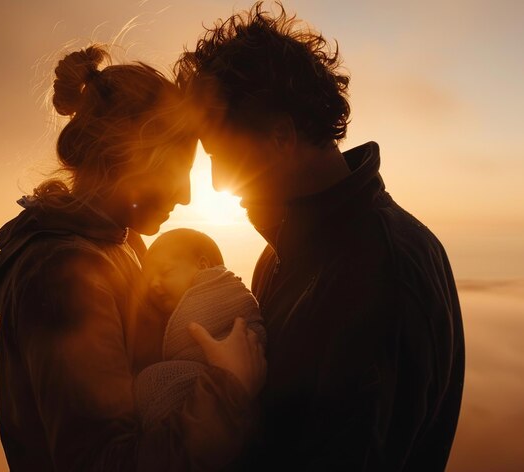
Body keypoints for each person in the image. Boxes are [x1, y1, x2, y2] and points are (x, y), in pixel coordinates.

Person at [175, 3, 465, 471]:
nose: (214, 182)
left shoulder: (383, 271)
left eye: (221, 154)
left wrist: (218, 443)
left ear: (281, 137)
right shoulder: (284, 254)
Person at [0, 45, 266, 471]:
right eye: (177, 171)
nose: (185, 195)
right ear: (132, 161)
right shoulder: (64, 275)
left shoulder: (119, 244)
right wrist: (228, 390)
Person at [135, 228, 266, 430]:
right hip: (214, 412)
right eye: (148, 279)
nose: (153, 284)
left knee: (151, 382)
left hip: (224, 410)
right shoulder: (162, 317)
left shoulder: (228, 300)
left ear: (203, 266)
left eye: (165, 271)